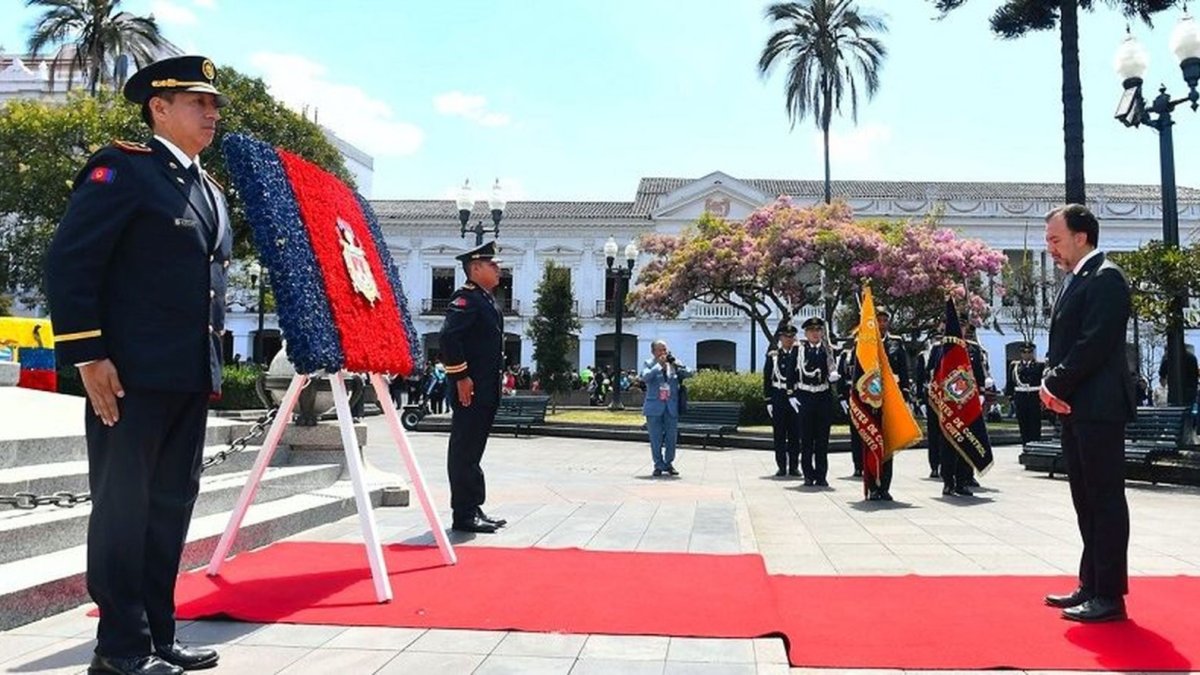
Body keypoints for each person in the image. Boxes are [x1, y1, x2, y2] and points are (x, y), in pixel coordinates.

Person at [45, 55, 228, 675]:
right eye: (198, 102)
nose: (212, 113)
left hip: (186, 377)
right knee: (125, 509)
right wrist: (88, 354)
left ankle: (158, 635)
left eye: (214, 104)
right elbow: (71, 264)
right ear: (159, 107)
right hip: (128, 379)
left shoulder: (209, 191)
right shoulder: (121, 170)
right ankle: (120, 648)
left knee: (169, 508)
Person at [1040, 204, 1135, 623]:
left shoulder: (1106, 278)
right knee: (1085, 500)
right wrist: (1050, 380)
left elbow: (1094, 344)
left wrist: (1054, 383)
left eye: (1056, 240)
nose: (1051, 249)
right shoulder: (1076, 280)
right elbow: (1063, 344)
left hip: (1099, 408)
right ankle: (1091, 583)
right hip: (1076, 407)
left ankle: (1110, 595)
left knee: (1105, 499)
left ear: (1082, 237)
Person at [440, 240, 508, 534]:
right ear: (476, 268)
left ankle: (473, 507)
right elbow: (449, 339)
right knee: (465, 449)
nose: (498, 268)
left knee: (473, 451)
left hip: (484, 389)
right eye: (492, 264)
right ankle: (464, 514)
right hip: (470, 389)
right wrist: (461, 377)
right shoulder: (466, 298)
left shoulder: (485, 299)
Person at [797, 317, 838, 486]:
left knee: (822, 440)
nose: (815, 334)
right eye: (812, 331)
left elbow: (833, 370)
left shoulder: (828, 351)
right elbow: (792, 374)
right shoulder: (799, 351)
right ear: (806, 333)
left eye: (818, 330)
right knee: (806, 440)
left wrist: (834, 377)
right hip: (805, 398)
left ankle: (821, 475)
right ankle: (808, 474)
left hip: (823, 398)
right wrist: (792, 396)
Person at [642, 339, 690, 477]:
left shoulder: (673, 364)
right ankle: (658, 464)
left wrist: (676, 364)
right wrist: (659, 366)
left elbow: (689, 373)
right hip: (654, 407)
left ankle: (669, 463)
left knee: (671, 438)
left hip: (671, 407)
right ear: (653, 352)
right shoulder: (649, 364)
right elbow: (645, 377)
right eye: (660, 350)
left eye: (665, 349)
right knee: (655, 438)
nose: (663, 352)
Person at [762, 320, 802, 477]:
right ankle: (781, 466)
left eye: (792, 337)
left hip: (795, 397)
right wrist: (768, 400)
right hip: (778, 396)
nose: (789, 340)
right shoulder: (773, 357)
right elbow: (767, 379)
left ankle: (794, 466)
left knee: (795, 433)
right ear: (780, 338)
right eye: (786, 337)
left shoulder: (799, 355)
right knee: (779, 434)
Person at [1006, 342, 1046, 444]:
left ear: (1033, 353)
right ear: (1021, 353)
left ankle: (1036, 445)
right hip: (1021, 397)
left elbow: (1043, 381)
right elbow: (1010, 382)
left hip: (1034, 397)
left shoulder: (1040, 365)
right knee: (1023, 423)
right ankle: (1025, 445)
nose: (1027, 355)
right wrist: (1010, 397)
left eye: (1029, 352)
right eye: (1024, 352)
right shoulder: (1014, 366)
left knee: (1035, 423)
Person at [1157, 344, 1199, 408]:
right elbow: (1196, 375)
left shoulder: (1167, 358)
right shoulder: (1192, 358)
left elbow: (1162, 377)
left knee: (1173, 410)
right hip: (1191, 390)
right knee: (1190, 410)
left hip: (1174, 391)